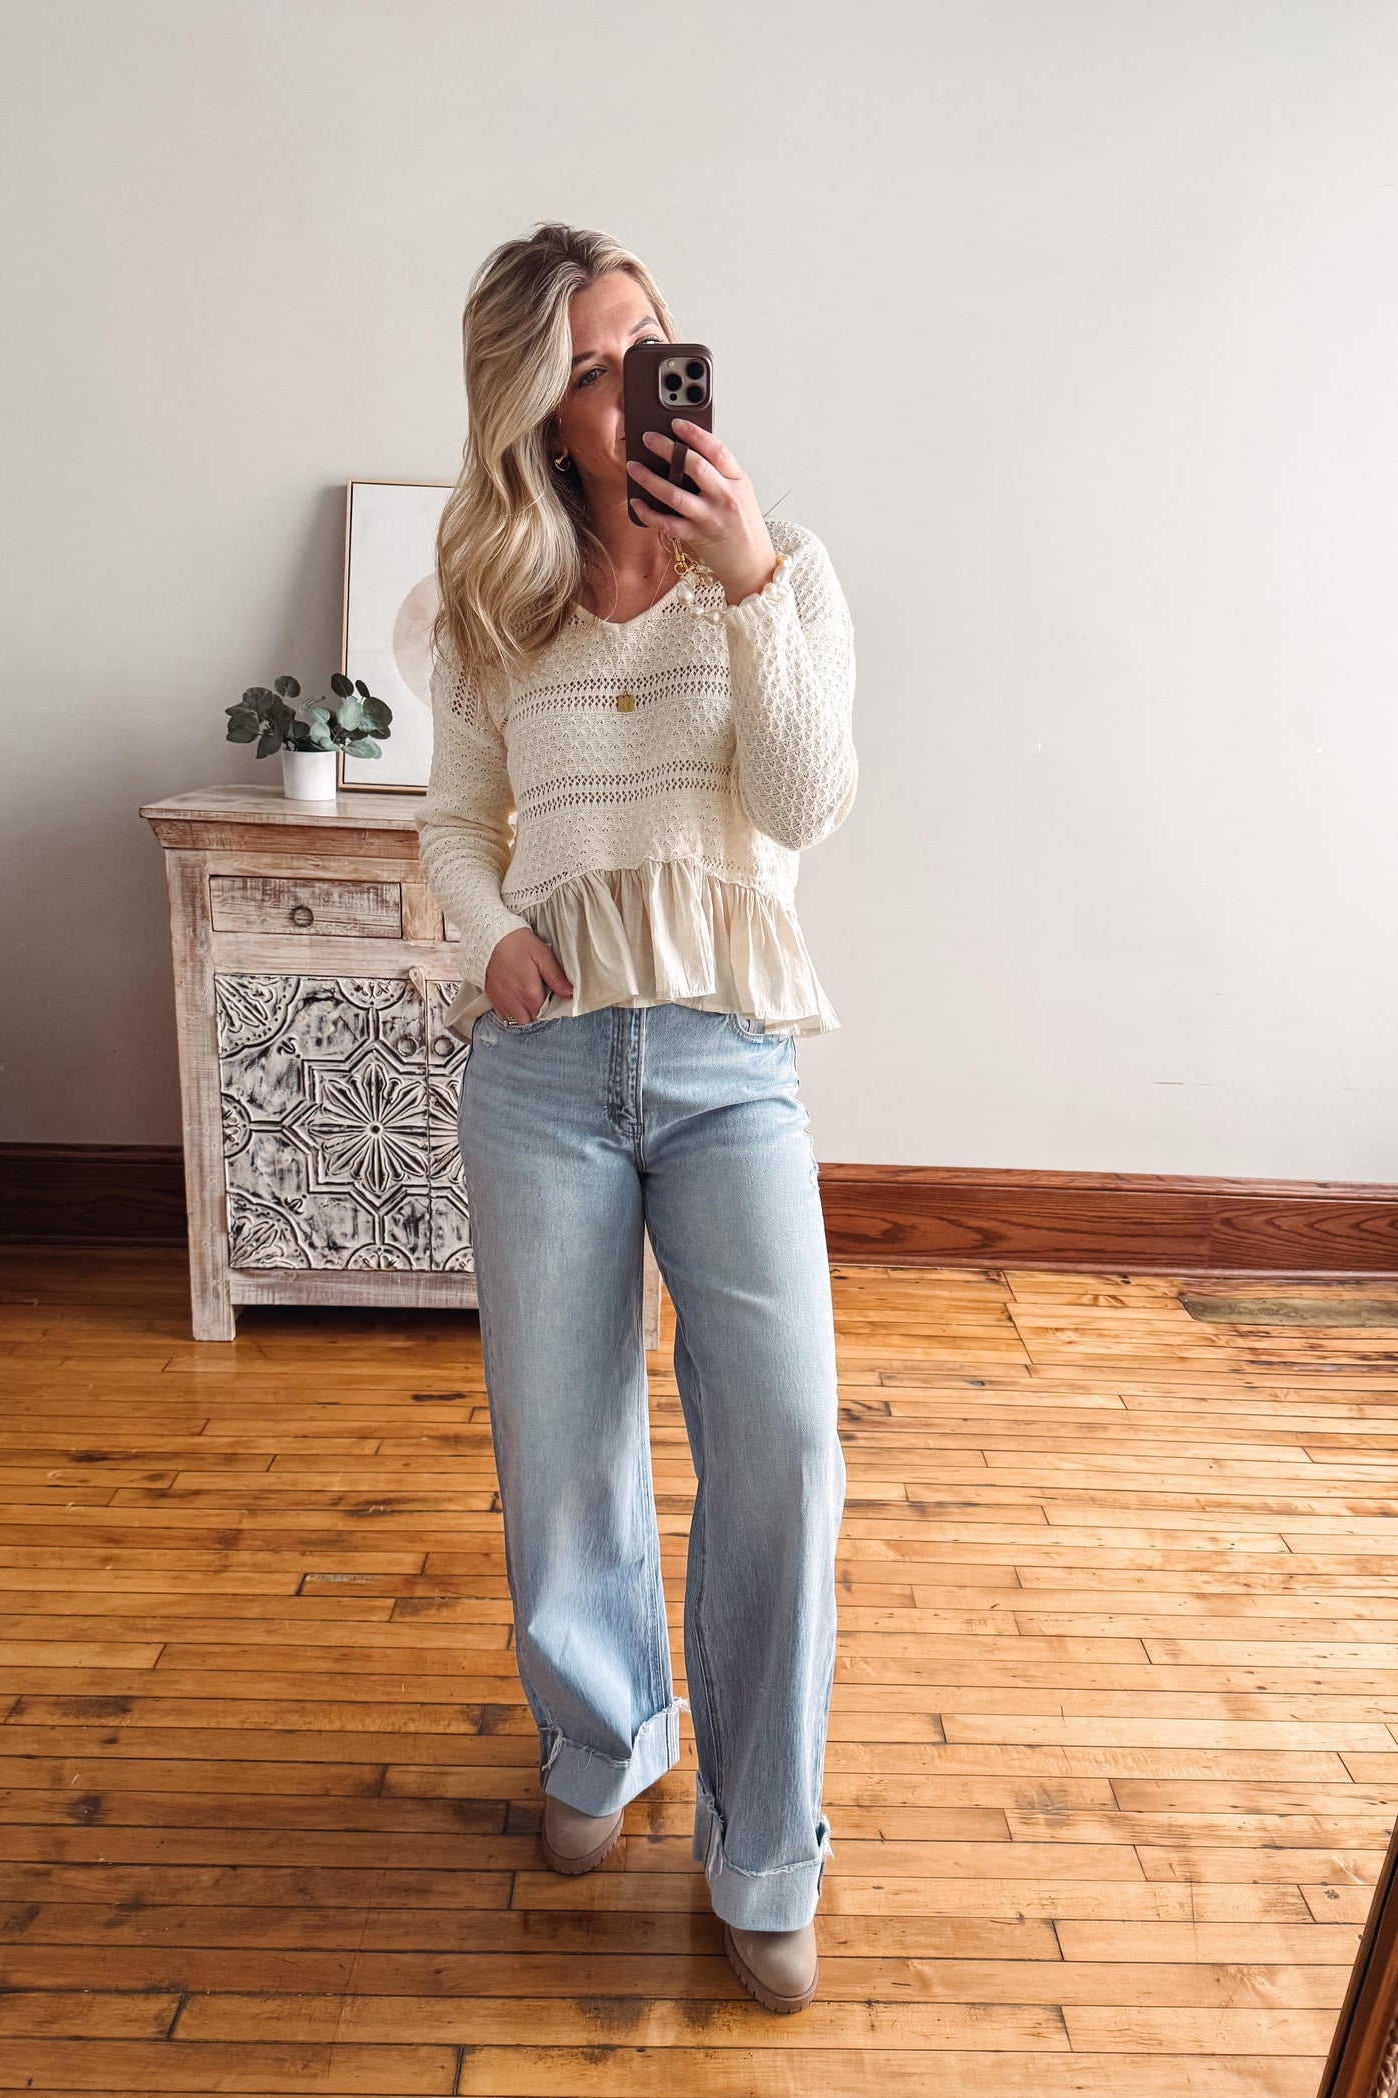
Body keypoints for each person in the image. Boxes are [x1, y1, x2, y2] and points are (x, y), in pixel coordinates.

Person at [418, 221, 857, 2015]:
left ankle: (764, 1845)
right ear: (540, 403)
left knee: (784, 1448)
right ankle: (601, 1737)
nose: (634, 382)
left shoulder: (778, 566)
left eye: (650, 344)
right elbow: (452, 824)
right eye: (595, 362)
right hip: (540, 1067)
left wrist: (747, 575)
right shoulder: (487, 603)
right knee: (559, 1446)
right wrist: (492, 936)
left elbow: (807, 802)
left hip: (725, 1057)